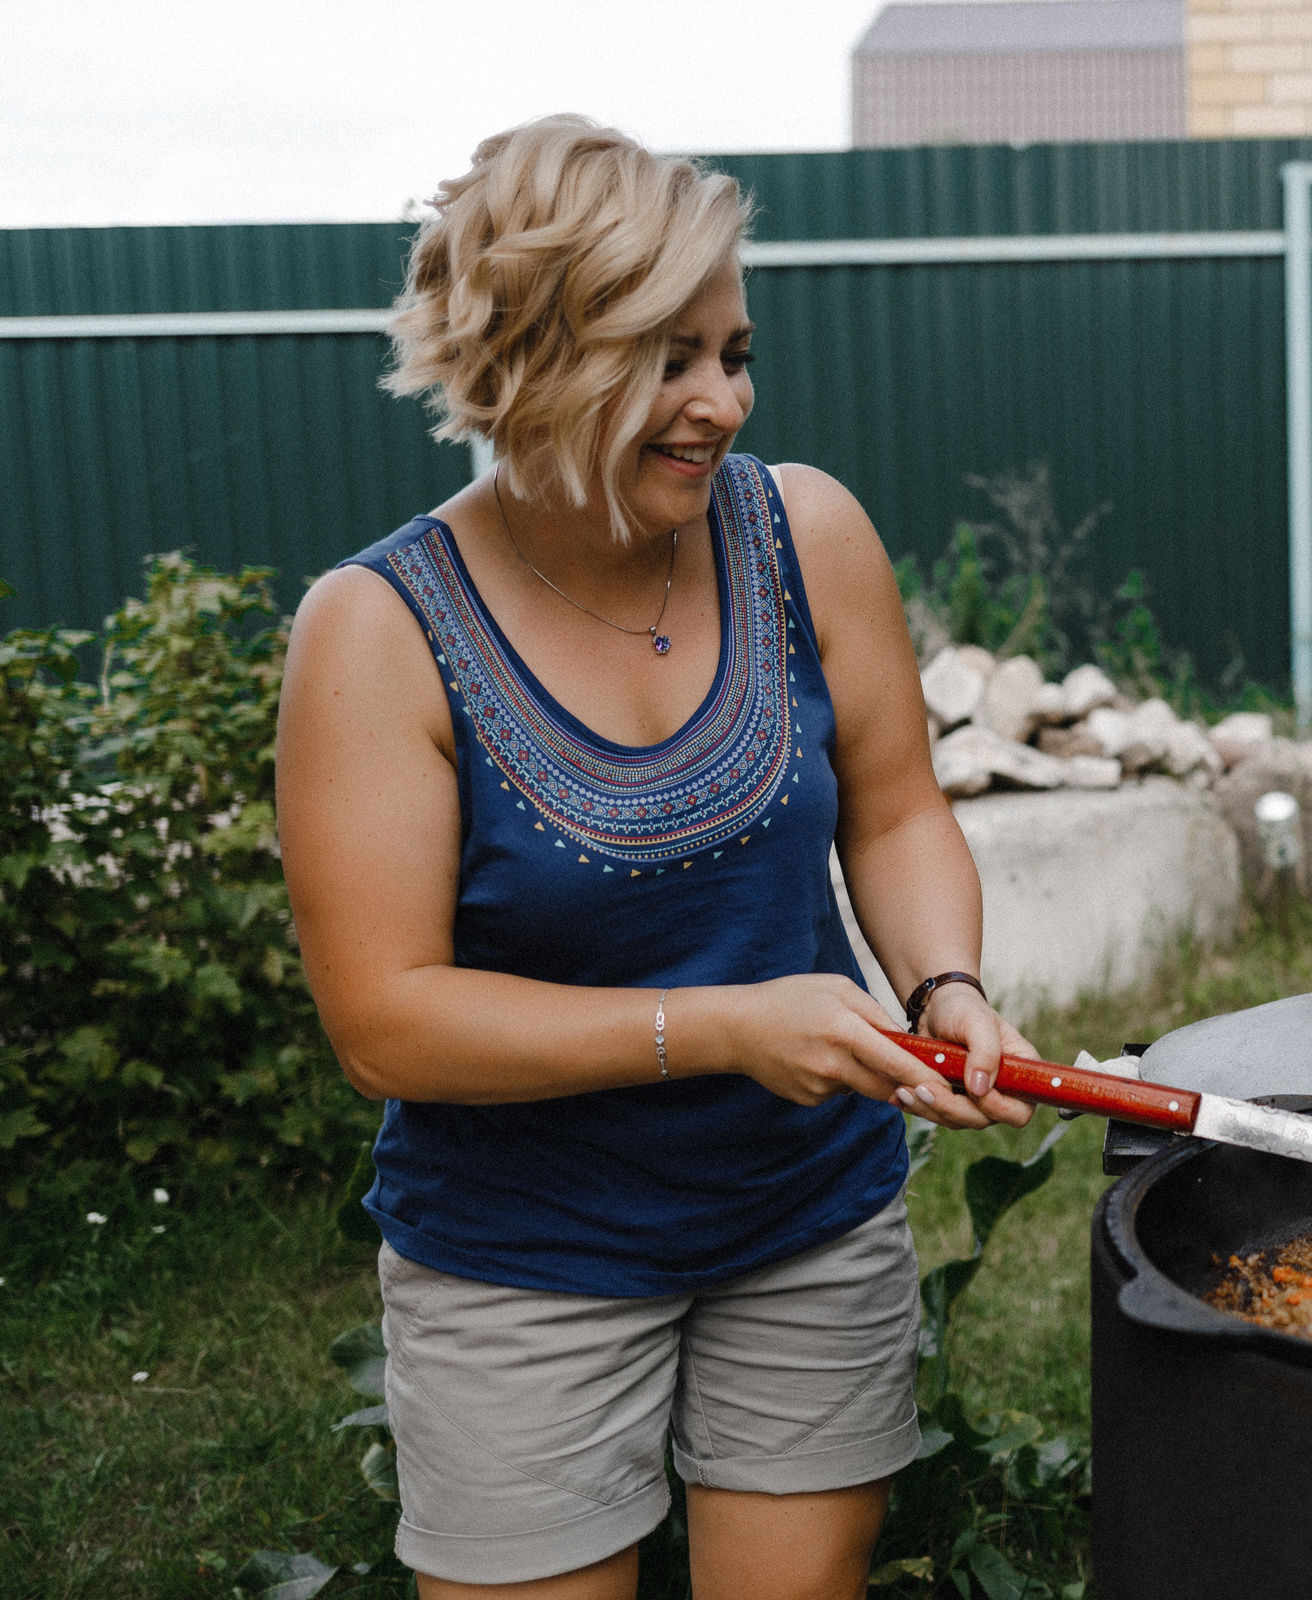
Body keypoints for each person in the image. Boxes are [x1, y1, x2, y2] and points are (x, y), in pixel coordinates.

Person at [277, 114, 1034, 1600]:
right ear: (529, 363)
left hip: (805, 1218)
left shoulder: (807, 535)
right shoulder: (379, 632)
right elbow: (385, 1020)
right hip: (521, 1258)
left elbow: (894, 811)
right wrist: (728, 1028)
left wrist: (943, 979)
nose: (722, 403)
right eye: (666, 361)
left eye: (734, 353)